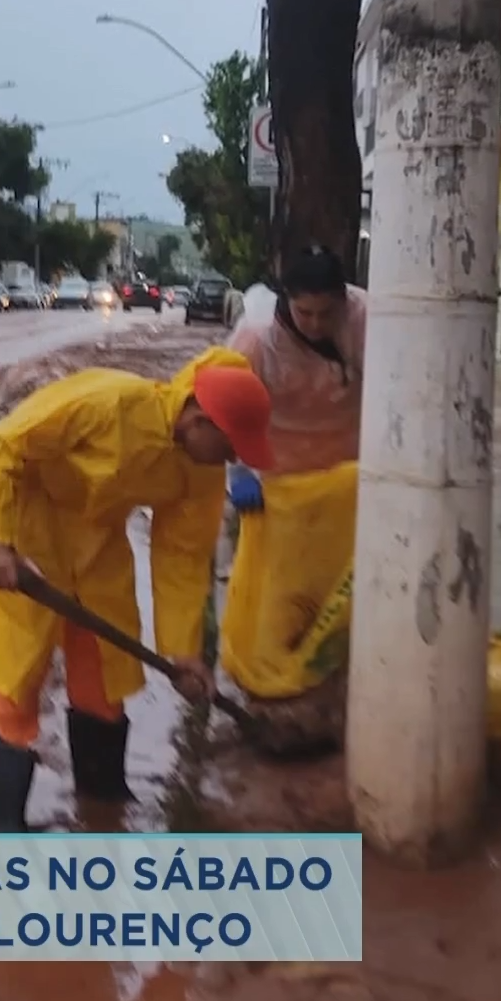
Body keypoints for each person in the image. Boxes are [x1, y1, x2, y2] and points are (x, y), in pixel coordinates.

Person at [0, 347, 276, 832]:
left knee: (105, 678)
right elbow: (4, 445)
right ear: (199, 418)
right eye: (230, 445)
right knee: (15, 678)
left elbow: (182, 559)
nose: (233, 459)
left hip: (99, 551)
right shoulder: (106, 402)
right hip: (31, 537)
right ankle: (2, 828)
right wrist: (1, 546)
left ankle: (102, 804)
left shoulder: (200, 473)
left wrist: (183, 653)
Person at [218, 245, 369, 757]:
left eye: (328, 313)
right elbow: (222, 414)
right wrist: (238, 473)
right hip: (278, 486)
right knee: (281, 594)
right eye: (305, 313)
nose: (316, 324)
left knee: (342, 590)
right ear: (287, 302)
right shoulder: (256, 340)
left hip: (348, 482)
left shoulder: (367, 320)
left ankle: (336, 687)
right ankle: (277, 687)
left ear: (343, 301)